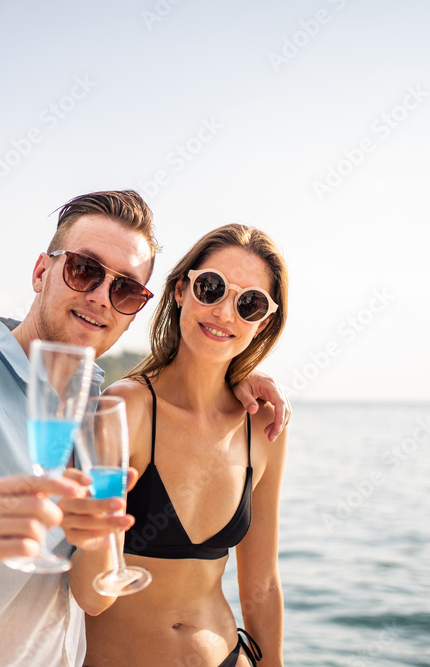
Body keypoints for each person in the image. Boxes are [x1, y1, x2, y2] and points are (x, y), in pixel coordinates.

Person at [0, 192, 291, 666]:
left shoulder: (89, 405)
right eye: (84, 269)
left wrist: (232, 372)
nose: (101, 297)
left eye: (125, 289)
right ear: (41, 271)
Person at [83, 224, 290, 667]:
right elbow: (91, 593)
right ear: (181, 289)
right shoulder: (125, 409)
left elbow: (262, 587)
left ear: (264, 320)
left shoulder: (264, 423)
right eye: (211, 288)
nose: (224, 313)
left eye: (249, 303)